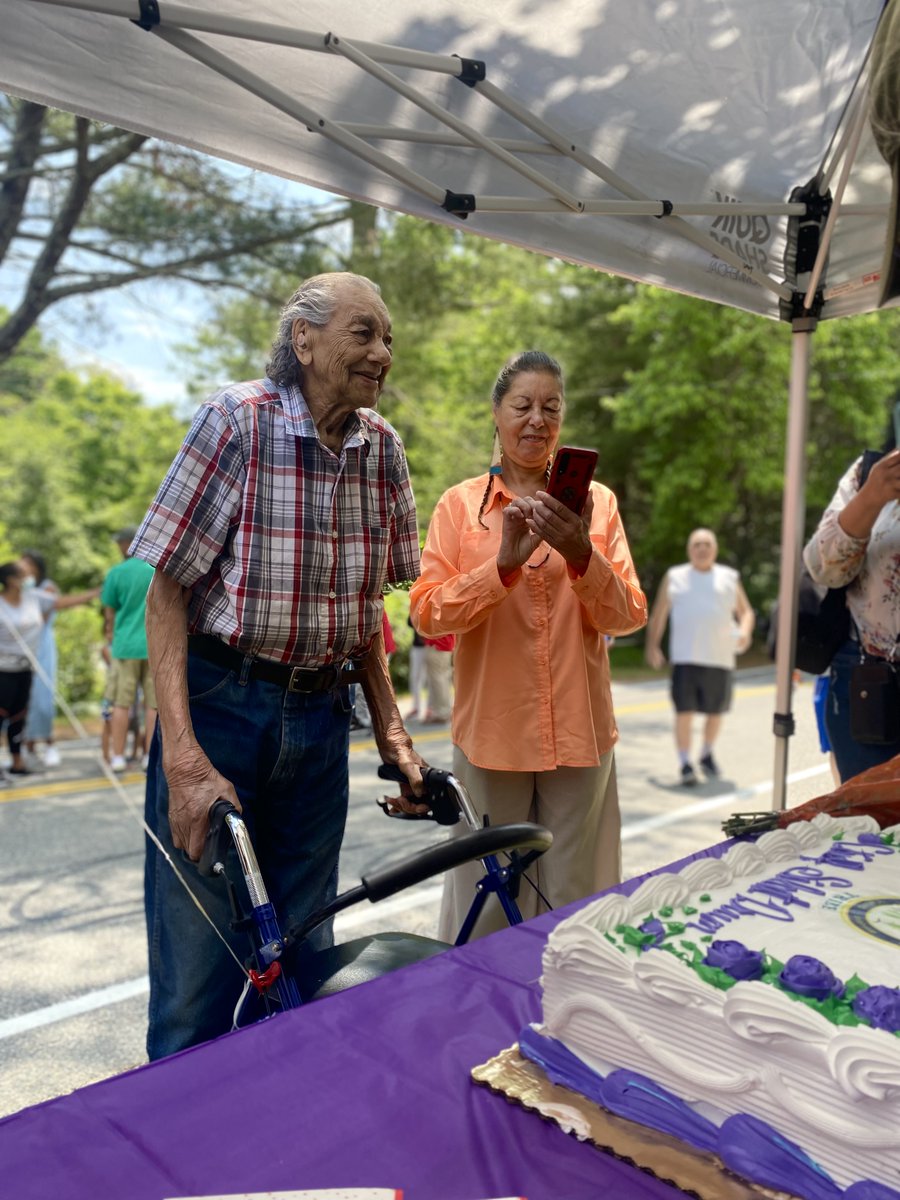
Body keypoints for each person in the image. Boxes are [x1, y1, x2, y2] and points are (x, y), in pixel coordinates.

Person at [131, 271, 425, 1059]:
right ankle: (177, 1166)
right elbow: (165, 596)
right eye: (363, 333)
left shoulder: (383, 450)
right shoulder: (236, 422)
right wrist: (184, 759)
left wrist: (392, 729)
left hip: (322, 722)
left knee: (302, 963)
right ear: (304, 340)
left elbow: (368, 612)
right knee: (201, 976)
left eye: (387, 338)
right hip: (221, 704)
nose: (382, 352)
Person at [409, 350, 647, 940]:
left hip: (580, 732)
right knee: (487, 900)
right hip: (492, 735)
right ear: (496, 413)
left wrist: (581, 554)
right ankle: (483, 1018)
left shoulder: (599, 505)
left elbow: (628, 613)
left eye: (551, 407)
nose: (537, 420)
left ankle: (566, 1011)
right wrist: (502, 568)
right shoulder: (460, 507)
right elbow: (427, 613)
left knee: (575, 896)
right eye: (522, 406)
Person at [803, 437, 900, 781]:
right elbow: (823, 568)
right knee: (870, 828)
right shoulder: (872, 470)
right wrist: (873, 496)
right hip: (873, 681)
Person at [644, 528, 755, 785]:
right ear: (689, 549)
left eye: (707, 544)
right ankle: (685, 763)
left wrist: (746, 632)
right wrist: (653, 645)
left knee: (715, 712)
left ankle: (705, 754)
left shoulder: (729, 577)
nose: (702, 548)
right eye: (697, 544)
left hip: (720, 657)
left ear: (715, 549)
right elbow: (659, 613)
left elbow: (746, 612)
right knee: (685, 711)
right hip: (685, 657)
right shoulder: (675, 577)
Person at [0, 562, 100, 776]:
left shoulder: (34, 598)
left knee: (19, 716)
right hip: (3, 670)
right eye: (24, 575)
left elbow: (61, 602)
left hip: (26, 668)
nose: (29, 578)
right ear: (11, 580)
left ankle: (17, 764)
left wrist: (96, 592)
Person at [100, 527, 157, 773]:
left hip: (125, 647)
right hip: (153, 645)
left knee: (121, 704)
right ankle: (149, 755)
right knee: (152, 705)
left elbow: (109, 611)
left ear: (127, 544)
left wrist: (110, 632)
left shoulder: (117, 572)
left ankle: (118, 756)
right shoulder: (154, 569)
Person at [19, 550, 62, 767]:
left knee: (43, 696)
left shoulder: (47, 588)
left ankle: (50, 743)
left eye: (27, 563)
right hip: (22, 648)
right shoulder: (20, 587)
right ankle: (28, 744)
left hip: (42, 646)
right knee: (25, 698)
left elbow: (39, 620)